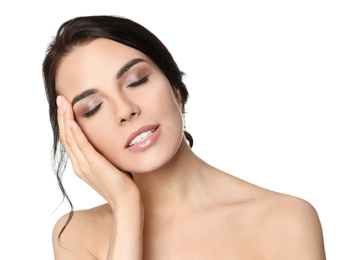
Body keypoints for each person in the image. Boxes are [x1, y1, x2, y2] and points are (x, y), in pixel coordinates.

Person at [43, 15, 326, 259]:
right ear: (75, 134)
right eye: (93, 108)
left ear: (175, 87)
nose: (126, 111)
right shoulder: (76, 236)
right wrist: (126, 206)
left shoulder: (286, 221)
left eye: (136, 80)